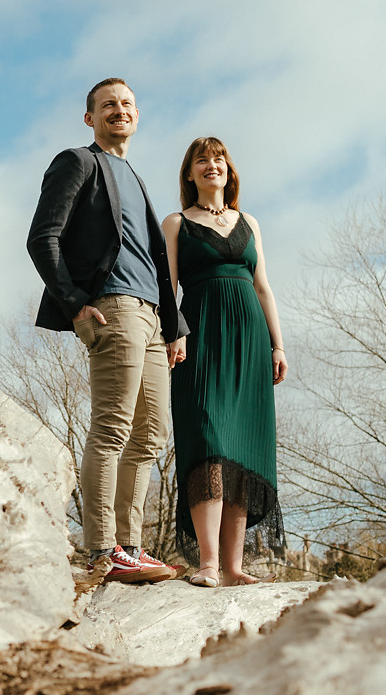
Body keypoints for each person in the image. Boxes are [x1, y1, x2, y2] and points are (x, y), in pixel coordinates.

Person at [27, 78, 189, 583]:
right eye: (107, 105)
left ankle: (131, 545)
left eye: (127, 104)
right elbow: (42, 238)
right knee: (113, 426)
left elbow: (156, 261)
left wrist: (175, 324)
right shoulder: (78, 162)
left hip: (153, 318)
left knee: (153, 433)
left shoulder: (135, 177)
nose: (119, 111)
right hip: (112, 308)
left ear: (137, 116)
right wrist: (75, 304)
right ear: (89, 118)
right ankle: (102, 549)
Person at [161, 136, 288, 587]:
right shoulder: (176, 223)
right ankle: (209, 565)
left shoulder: (249, 222)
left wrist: (277, 345)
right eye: (202, 160)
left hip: (250, 342)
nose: (211, 165)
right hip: (200, 340)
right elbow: (167, 288)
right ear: (190, 174)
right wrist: (173, 333)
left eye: (219, 159)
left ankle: (234, 568)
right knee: (208, 440)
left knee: (242, 451)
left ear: (229, 171)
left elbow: (263, 288)